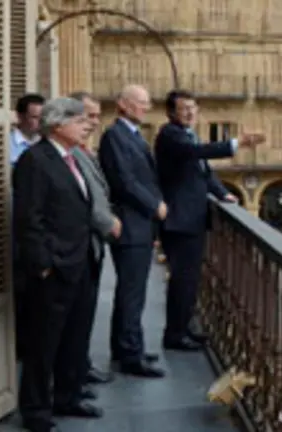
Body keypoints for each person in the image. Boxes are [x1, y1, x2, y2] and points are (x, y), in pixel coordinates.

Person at [14, 97, 102, 432]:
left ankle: (68, 397)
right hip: (54, 269)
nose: (87, 125)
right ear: (58, 124)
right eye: (79, 121)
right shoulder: (35, 161)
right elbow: (29, 219)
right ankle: (35, 411)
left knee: (73, 338)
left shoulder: (71, 158)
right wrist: (44, 265)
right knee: (43, 343)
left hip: (79, 263)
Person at [154, 89, 264, 350]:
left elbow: (203, 173)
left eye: (194, 107)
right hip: (180, 222)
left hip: (189, 220)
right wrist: (237, 144)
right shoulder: (170, 135)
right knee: (183, 280)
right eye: (184, 109)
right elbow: (198, 154)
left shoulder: (186, 134)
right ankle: (175, 335)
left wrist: (224, 193)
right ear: (171, 113)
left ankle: (184, 327)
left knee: (189, 280)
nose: (191, 112)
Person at [98, 84, 166, 378]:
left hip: (138, 224)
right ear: (123, 104)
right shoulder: (115, 136)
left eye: (147, 103)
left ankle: (126, 346)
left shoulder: (130, 136)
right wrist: (155, 205)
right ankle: (130, 355)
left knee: (131, 291)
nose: (146, 108)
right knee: (132, 293)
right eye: (140, 102)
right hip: (131, 223)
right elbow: (124, 181)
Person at [68, 91, 119, 387]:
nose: (94, 122)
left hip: (91, 245)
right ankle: (73, 374)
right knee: (77, 317)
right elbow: (87, 199)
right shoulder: (71, 154)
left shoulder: (84, 151)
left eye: (98, 116)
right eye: (88, 116)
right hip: (81, 245)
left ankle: (80, 367)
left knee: (84, 315)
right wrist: (109, 222)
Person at [11, 93, 45, 360]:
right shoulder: (4, 145)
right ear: (20, 117)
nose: (38, 123)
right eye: (34, 117)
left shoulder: (46, 149)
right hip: (9, 228)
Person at [10, 93, 45, 165]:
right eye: (35, 117)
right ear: (20, 116)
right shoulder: (6, 143)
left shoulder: (49, 142)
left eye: (43, 117)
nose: (41, 121)